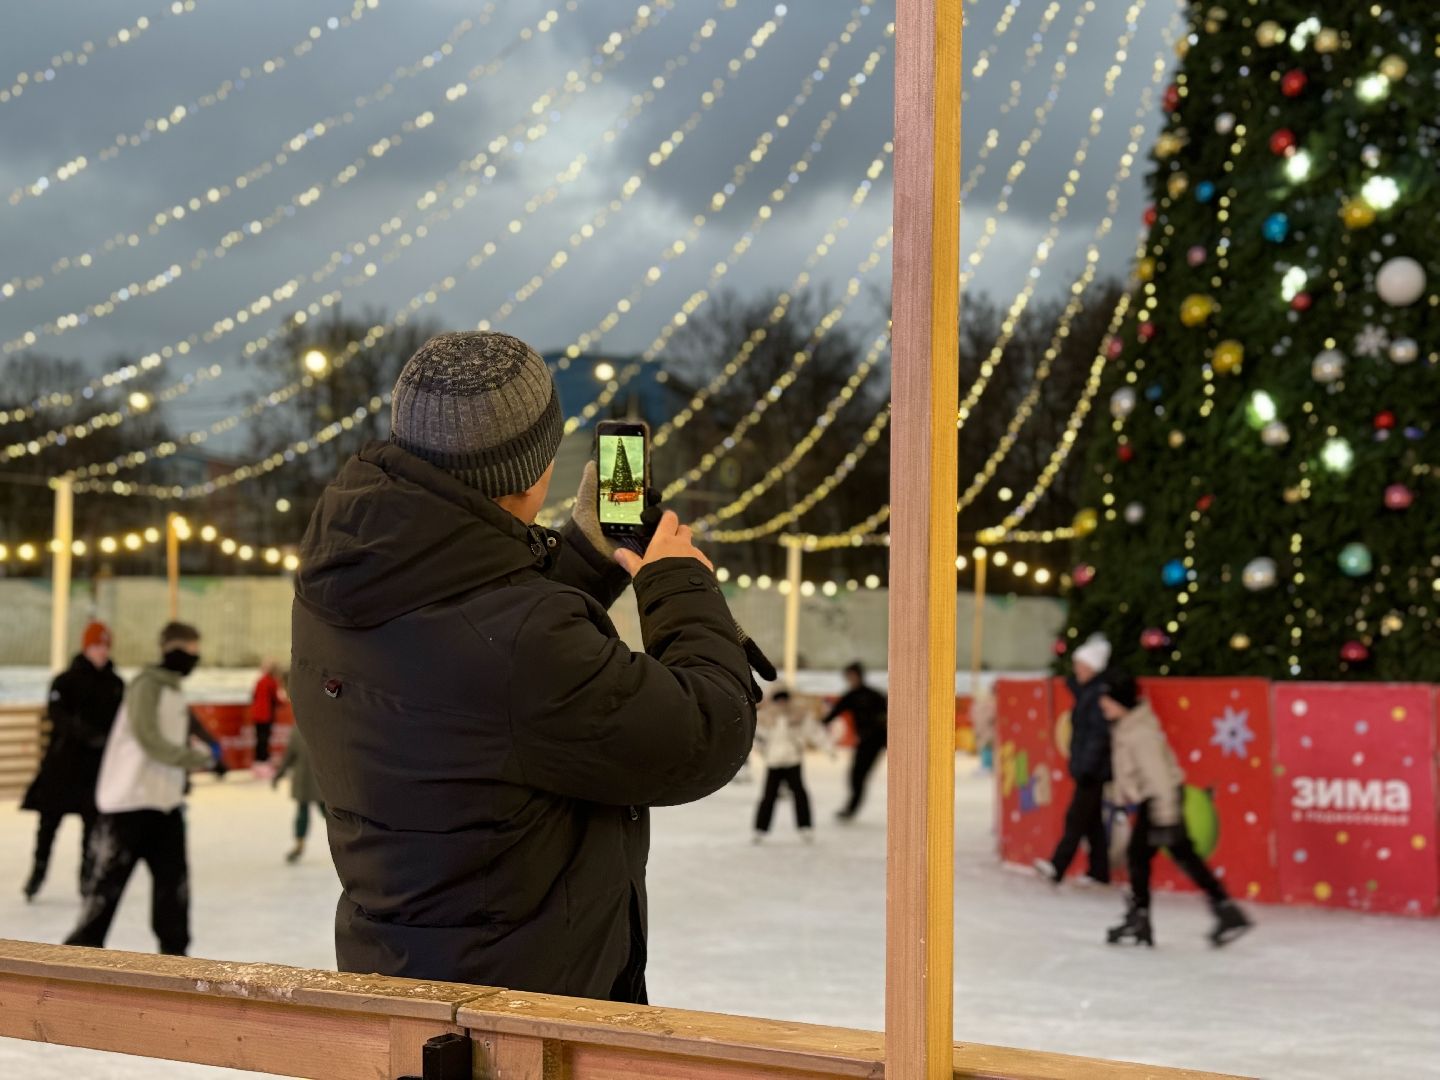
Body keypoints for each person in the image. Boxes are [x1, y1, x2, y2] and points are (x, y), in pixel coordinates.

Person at [290, 331, 760, 1004]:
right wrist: (676, 582)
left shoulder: (346, 573)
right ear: (536, 465)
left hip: (403, 984)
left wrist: (588, 557)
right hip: (521, 1016)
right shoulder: (522, 641)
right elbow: (705, 731)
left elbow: (470, 661)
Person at [66, 622, 218, 955]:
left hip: (164, 805)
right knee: (105, 891)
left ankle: (175, 957)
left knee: (173, 893)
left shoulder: (174, 688)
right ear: (172, 649)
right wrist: (195, 758)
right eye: (191, 652)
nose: (194, 659)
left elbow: (177, 735)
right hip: (128, 805)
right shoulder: (146, 686)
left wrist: (201, 753)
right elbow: (149, 739)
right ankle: (80, 954)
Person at [1098, 672, 1252, 947]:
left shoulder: (1139, 733)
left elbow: (1159, 778)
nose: (1102, 704)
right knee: (1154, 857)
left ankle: (1220, 911)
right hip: (1156, 799)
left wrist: (1166, 816)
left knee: (1156, 857)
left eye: (1106, 699)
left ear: (1120, 700)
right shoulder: (1127, 725)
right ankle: (1221, 909)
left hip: (1160, 800)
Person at [20, 621, 125, 901]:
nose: (101, 651)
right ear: (86, 646)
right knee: (48, 824)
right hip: (61, 766)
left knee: (92, 828)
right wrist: (84, 733)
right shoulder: (65, 681)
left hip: (95, 770)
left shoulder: (115, 684)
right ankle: (38, 872)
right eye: (96, 645)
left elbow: (121, 723)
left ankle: (87, 878)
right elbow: (57, 714)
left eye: (105, 646)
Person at [1034, 633, 1113, 886]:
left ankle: (1058, 866)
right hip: (1089, 766)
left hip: (1093, 769)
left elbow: (1098, 735)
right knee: (1092, 823)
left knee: (1076, 818)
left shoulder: (1097, 694)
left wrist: (1087, 766)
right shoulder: (1088, 692)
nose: (1076, 669)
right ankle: (1099, 872)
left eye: (1081, 665)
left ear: (1093, 667)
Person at [752, 690, 829, 843]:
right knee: (769, 796)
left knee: (799, 794)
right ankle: (760, 829)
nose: (781, 704)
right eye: (778, 701)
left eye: (784, 700)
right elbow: (756, 736)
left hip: (792, 761)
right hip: (774, 762)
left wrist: (828, 748)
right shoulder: (766, 717)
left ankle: (805, 826)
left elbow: (814, 732)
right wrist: (764, 752)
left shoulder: (798, 716)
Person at [822, 662, 887, 821]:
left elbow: (887, 715)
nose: (849, 679)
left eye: (851, 675)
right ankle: (851, 809)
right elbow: (834, 713)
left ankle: (851, 809)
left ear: (858, 675)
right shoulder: (851, 696)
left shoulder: (874, 695)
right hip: (864, 741)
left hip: (878, 739)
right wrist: (819, 722)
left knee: (859, 775)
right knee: (856, 776)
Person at [273, 720, 323, 864]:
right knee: (306, 813)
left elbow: (289, 755)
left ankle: (299, 845)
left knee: (327, 813)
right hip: (307, 780)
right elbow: (290, 755)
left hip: (316, 779)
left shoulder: (314, 727)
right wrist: (279, 774)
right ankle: (299, 845)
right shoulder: (300, 729)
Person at [248, 659, 286, 776]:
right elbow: (276, 699)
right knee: (264, 740)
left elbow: (253, 695)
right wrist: (284, 702)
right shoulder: (272, 682)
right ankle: (263, 765)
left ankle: (257, 765)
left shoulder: (260, 680)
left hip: (257, 714)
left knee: (260, 740)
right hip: (266, 715)